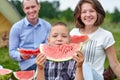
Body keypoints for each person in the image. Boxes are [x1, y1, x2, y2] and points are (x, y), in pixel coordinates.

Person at [70, 0, 120, 80]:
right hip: (75, 77)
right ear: (79, 15)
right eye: (84, 12)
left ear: (98, 13)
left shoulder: (106, 35)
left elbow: (115, 64)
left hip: (96, 77)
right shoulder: (73, 32)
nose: (88, 15)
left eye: (92, 11)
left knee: (85, 65)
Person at [9, 0, 51, 71]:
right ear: (24, 10)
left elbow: (49, 46)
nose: (31, 10)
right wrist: (21, 56)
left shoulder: (47, 26)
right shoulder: (16, 28)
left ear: (39, 6)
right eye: (27, 8)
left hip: (45, 62)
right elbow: (12, 51)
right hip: (27, 65)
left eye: (33, 7)